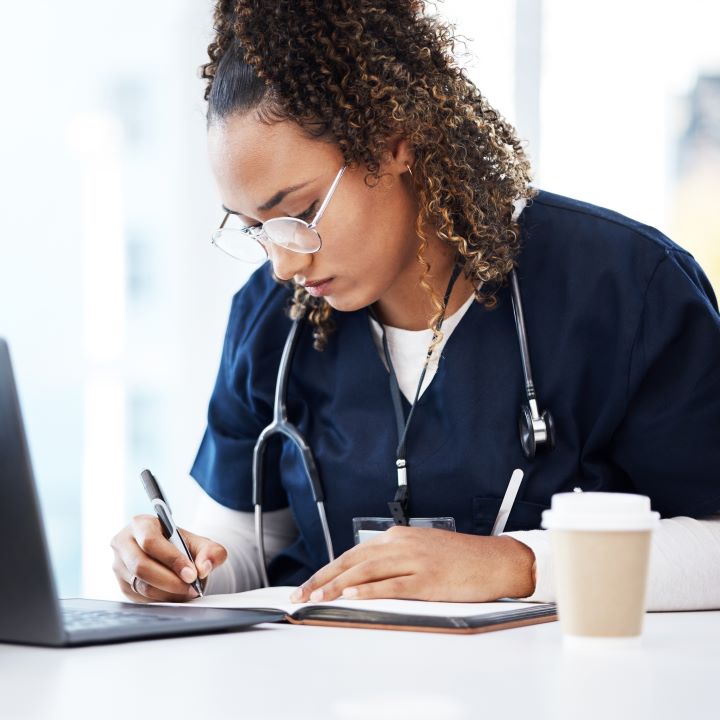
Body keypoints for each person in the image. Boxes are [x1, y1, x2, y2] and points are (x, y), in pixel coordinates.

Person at [111, 0, 720, 609]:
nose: (284, 263)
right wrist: (181, 566)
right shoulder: (271, 318)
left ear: (395, 140)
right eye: (255, 229)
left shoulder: (627, 287)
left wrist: (518, 566)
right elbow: (244, 544)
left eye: (297, 215)